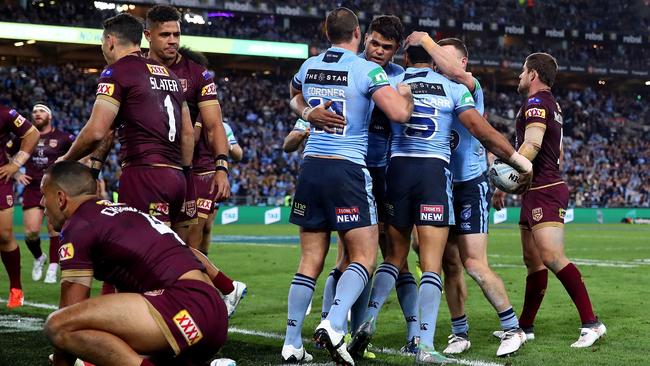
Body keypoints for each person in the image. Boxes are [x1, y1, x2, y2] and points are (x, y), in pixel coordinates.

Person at [350, 44, 532, 364]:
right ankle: (437, 340)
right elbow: (484, 132)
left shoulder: (403, 84)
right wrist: (519, 161)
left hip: (429, 177)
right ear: (434, 61)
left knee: (417, 259)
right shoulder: (450, 88)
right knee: (440, 264)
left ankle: (510, 325)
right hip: (438, 177)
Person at [282, 7, 414, 365]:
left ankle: (292, 342)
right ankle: (335, 323)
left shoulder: (309, 66)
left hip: (311, 168)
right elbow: (401, 114)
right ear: (358, 32)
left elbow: (293, 93)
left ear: (327, 32)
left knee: (309, 259)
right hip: (348, 170)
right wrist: (405, 93)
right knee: (364, 256)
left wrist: (308, 113)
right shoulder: (367, 70)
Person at [406, 34, 526, 357]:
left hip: (470, 186)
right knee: (449, 264)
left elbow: (456, 76)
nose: (437, 64)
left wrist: (426, 41)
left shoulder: (468, 86)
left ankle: (512, 327)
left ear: (461, 62)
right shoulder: (433, 88)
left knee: (474, 263)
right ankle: (460, 333)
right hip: (441, 184)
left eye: (444, 58)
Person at [42, 161, 227, 366]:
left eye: (44, 194)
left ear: (60, 198)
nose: (42, 203)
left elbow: (70, 309)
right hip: (213, 315)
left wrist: (61, 361)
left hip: (182, 307)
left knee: (57, 325)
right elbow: (188, 251)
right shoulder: (125, 211)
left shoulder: (79, 224)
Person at [492, 52, 605, 348]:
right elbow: (560, 153)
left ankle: (592, 324)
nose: (519, 75)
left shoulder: (537, 102)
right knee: (533, 263)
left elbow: (532, 144)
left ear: (533, 75)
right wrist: (514, 185)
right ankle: (525, 327)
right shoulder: (553, 105)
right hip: (536, 188)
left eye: (522, 70)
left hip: (545, 188)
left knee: (552, 256)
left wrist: (506, 172)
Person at [143, 5, 230, 242]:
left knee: (187, 247)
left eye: (176, 35)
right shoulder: (136, 70)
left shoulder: (197, 74)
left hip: (190, 171)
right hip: (148, 170)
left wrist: (222, 168)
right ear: (148, 36)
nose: (172, 41)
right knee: (148, 245)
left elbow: (215, 126)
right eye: (165, 35)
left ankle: (215, 281)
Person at [12, 103, 74, 284]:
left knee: (54, 229)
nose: (37, 114)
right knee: (31, 233)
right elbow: (6, 154)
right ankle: (39, 257)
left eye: (41, 111)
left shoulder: (64, 138)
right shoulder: (25, 137)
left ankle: (53, 268)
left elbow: (81, 152)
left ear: (50, 116)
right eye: (34, 111)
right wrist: (16, 172)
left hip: (55, 187)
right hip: (32, 188)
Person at [0, 105, 39, 308]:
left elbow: (32, 133)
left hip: (0, 179)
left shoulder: (5, 113)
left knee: (4, 236)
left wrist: (16, 164)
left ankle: (16, 288)